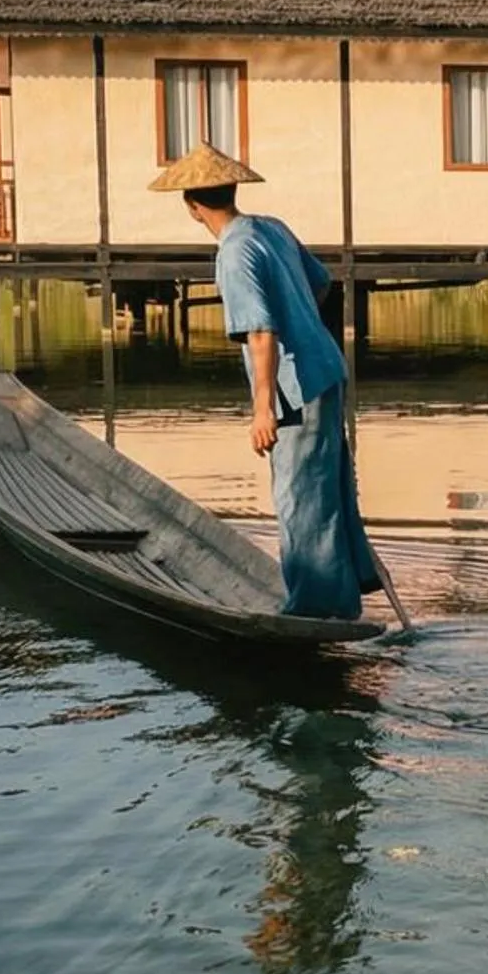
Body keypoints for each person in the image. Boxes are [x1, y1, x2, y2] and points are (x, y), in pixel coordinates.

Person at [148, 143, 379, 619]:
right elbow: (321, 283)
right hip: (327, 369)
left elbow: (260, 332)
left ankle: (313, 609)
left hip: (299, 388)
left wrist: (261, 410)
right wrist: (298, 314)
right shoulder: (271, 228)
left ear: (192, 207)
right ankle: (346, 590)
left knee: (298, 495)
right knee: (330, 485)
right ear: (231, 191)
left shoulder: (234, 252)